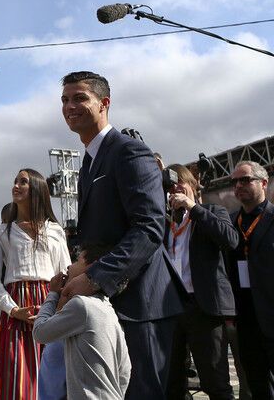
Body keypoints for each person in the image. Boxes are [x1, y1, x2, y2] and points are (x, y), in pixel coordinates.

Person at [59, 71, 183, 400]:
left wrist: (95, 277)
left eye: (79, 98)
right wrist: (79, 267)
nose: (70, 106)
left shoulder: (130, 152)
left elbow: (149, 227)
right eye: (65, 100)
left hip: (142, 306)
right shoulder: (88, 165)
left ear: (104, 104)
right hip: (110, 304)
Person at [0, 169, 71, 400]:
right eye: (15, 181)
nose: (16, 185)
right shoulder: (2, 232)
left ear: (36, 188)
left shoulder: (54, 230)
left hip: (50, 303)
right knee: (17, 380)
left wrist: (59, 307)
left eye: (23, 182)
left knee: (54, 377)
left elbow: (65, 271)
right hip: (15, 308)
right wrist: (13, 310)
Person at [163, 164, 237, 400]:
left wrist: (193, 208)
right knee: (172, 382)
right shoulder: (165, 223)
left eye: (180, 184)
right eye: (170, 188)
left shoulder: (212, 211)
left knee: (214, 382)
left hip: (204, 307)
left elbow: (230, 240)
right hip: (172, 308)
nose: (176, 190)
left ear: (193, 186)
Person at [33, 242, 131, 400]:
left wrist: (52, 294)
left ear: (90, 268)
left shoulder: (81, 305)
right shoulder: (108, 309)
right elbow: (125, 371)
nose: (69, 266)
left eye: (77, 260)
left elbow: (39, 332)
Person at [226, 161, 274, 398]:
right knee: (257, 385)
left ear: (264, 183)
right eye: (234, 181)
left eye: (245, 180)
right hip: (244, 320)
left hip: (271, 314)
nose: (238, 186)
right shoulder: (229, 222)